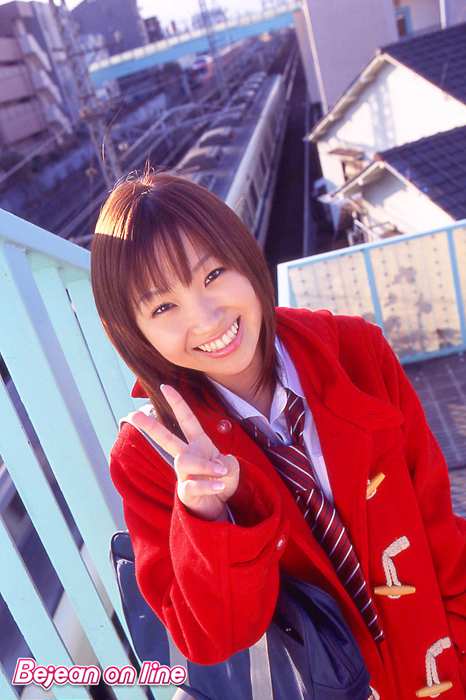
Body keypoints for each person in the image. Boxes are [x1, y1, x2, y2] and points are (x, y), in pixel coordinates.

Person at [90, 169, 466, 700]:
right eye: (163, 307)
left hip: (437, 667)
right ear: (133, 332)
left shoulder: (354, 351)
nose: (206, 318)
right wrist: (205, 516)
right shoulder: (149, 457)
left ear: (244, 257)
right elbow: (212, 640)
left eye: (213, 274)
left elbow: (436, 525)